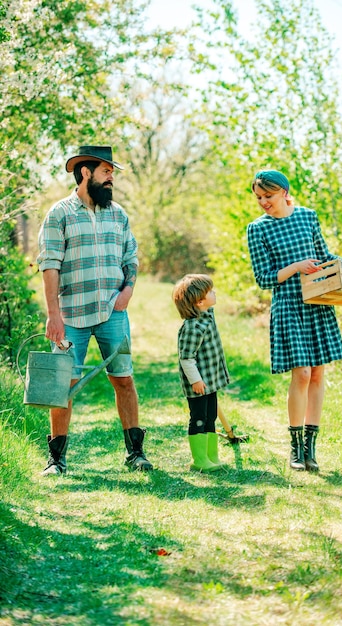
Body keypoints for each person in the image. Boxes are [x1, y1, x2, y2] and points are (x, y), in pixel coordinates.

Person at [247, 169, 342, 472]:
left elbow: (325, 257)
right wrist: (296, 266)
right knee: (303, 374)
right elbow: (264, 278)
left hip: (318, 302)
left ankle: (310, 448)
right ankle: (295, 448)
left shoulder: (307, 216)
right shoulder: (257, 229)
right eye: (258, 198)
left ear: (284, 191)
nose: (263, 202)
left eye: (268, 196)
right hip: (288, 305)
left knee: (319, 374)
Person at [37, 145, 153, 475]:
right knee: (63, 385)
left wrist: (128, 289)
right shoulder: (59, 214)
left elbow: (131, 258)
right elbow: (49, 265)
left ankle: (135, 453)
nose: (111, 177)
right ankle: (56, 459)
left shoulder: (118, 214)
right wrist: (53, 314)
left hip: (112, 314)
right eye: (106, 171)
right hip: (70, 316)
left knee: (124, 381)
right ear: (86, 173)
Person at [173, 274, 230, 472]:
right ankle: (199, 460)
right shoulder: (192, 327)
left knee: (211, 416)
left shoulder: (206, 315)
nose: (214, 293)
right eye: (210, 292)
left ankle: (211, 456)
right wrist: (196, 381)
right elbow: (186, 357)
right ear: (199, 301)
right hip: (198, 384)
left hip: (210, 381)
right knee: (198, 418)